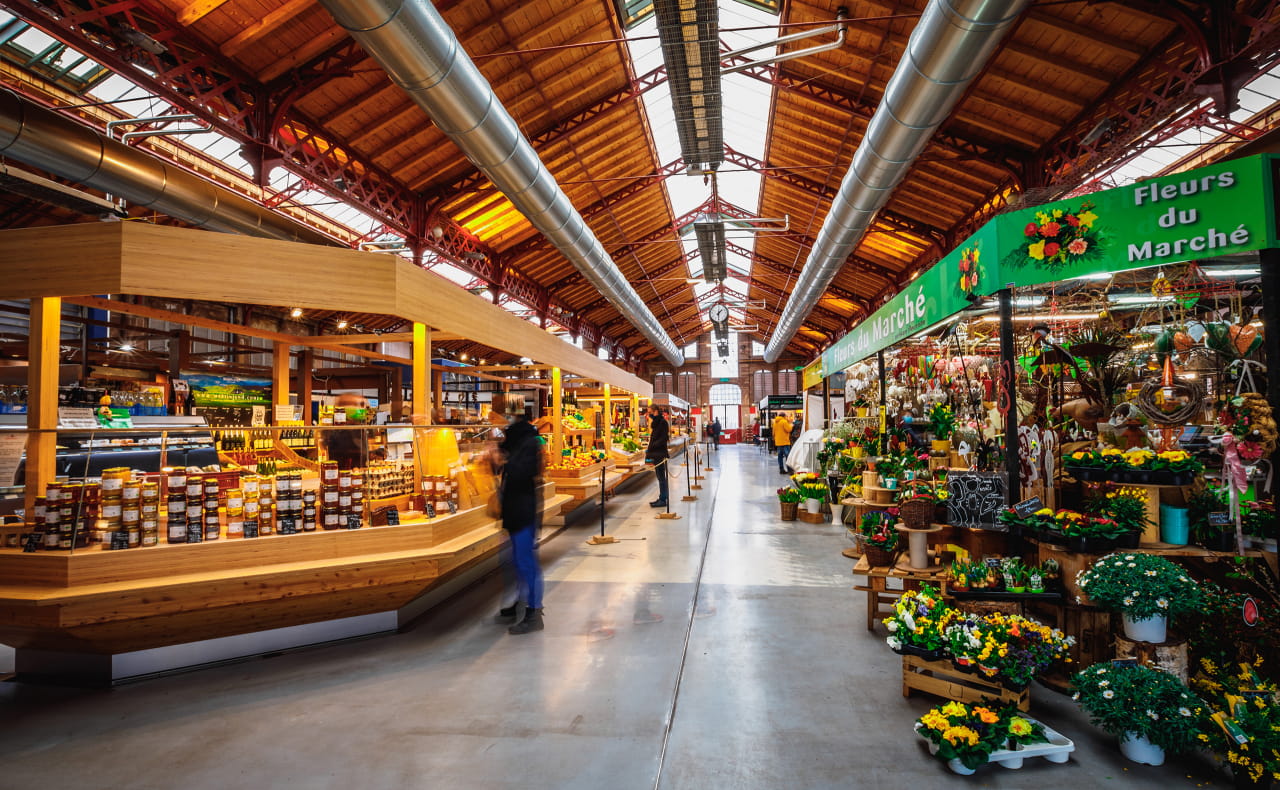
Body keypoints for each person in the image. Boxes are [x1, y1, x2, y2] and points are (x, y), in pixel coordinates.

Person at [493, 403, 545, 635]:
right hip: (516, 508)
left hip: (523, 508)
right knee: (517, 560)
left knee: (525, 562)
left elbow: (524, 472)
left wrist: (501, 458)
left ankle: (534, 613)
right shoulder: (518, 440)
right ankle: (520, 603)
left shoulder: (528, 441)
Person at [324, 393, 370, 469]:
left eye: (355, 404)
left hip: (359, 471)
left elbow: (363, 451)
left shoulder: (359, 426)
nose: (353, 407)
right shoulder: (335, 428)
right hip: (341, 470)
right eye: (347, 404)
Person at [645, 405, 670, 507]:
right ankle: (661, 497)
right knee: (660, 477)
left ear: (655, 411)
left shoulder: (662, 422)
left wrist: (653, 446)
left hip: (659, 453)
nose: (648, 414)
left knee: (662, 478)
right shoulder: (656, 423)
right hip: (656, 453)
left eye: (650, 412)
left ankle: (663, 500)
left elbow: (664, 438)